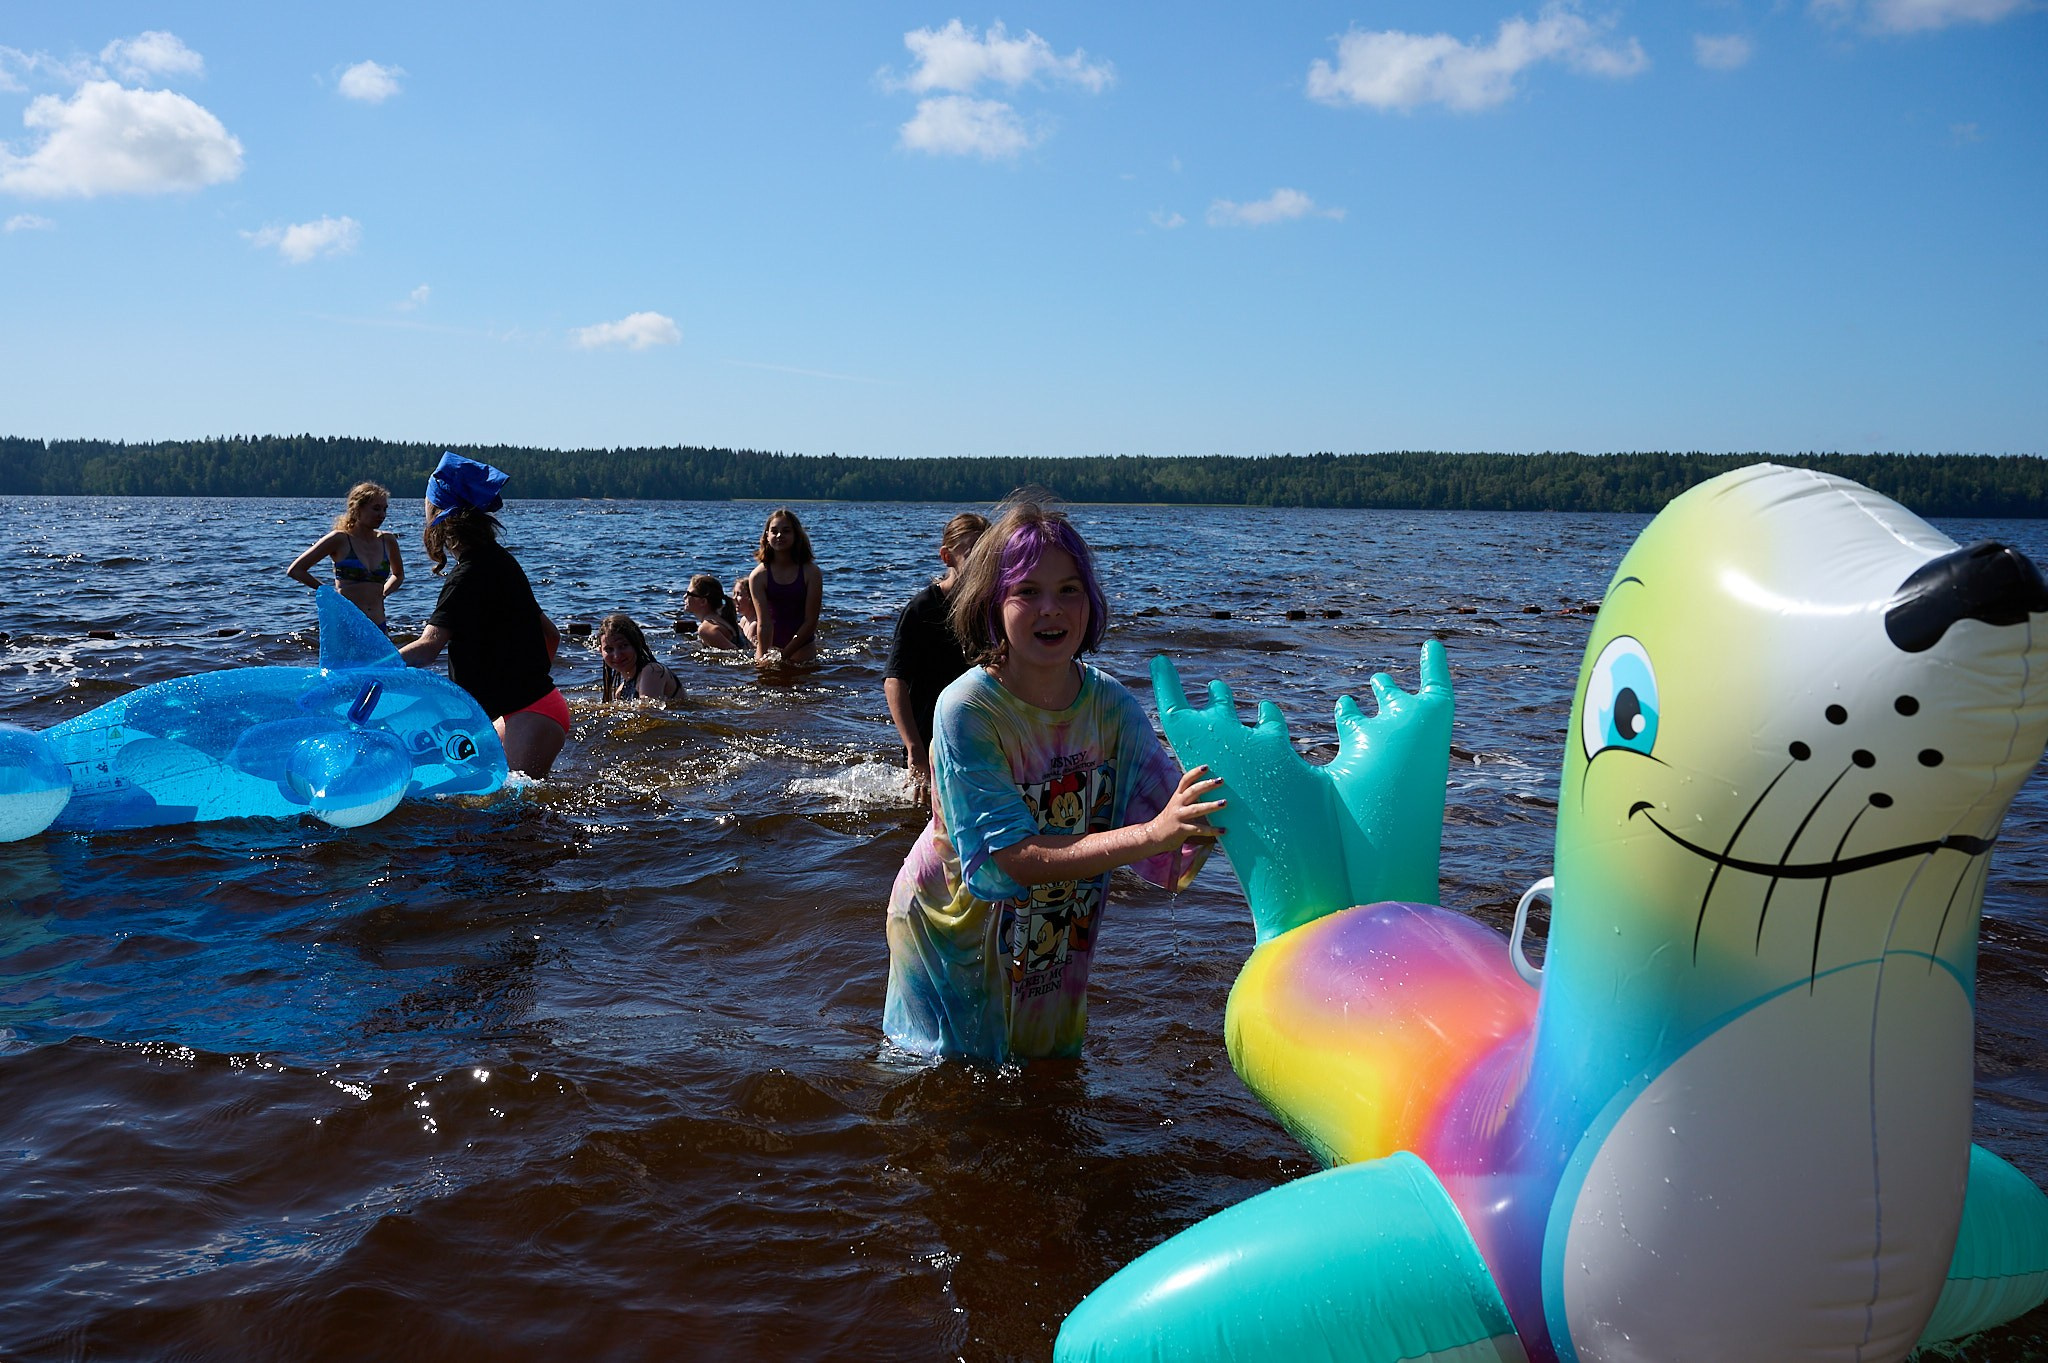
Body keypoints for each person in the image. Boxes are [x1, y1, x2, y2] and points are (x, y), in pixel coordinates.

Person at [881, 496, 1223, 1064]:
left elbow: (1177, 811)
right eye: (1027, 592)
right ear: (993, 603)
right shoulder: (967, 709)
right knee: (947, 1089)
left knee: (1050, 1074)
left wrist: (1232, 807)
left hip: (1056, 927)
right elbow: (1011, 858)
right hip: (953, 930)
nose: (1052, 609)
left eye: (1069, 590)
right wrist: (1152, 835)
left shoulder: (1109, 706)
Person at [397, 453, 568, 778]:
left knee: (509, 814)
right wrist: (528, 683)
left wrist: (373, 666)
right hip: (535, 708)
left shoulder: (466, 576)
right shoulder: (503, 562)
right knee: (491, 811)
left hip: (527, 715)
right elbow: (552, 635)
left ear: (439, 515)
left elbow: (428, 647)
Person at [884, 511, 987, 805]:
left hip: (978, 732)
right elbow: (894, 681)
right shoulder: (922, 609)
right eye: (972, 554)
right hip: (928, 739)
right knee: (926, 819)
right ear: (947, 557)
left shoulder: (992, 608)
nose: (982, 563)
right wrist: (914, 750)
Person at [286, 481, 405, 626]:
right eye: (376, 509)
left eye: (384, 509)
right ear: (357, 509)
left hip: (377, 624)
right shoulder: (340, 539)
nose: (382, 515)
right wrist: (330, 594)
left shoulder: (388, 540)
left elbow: (398, 575)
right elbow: (296, 570)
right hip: (346, 623)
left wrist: (383, 593)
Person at [734, 508, 823, 665]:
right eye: (774, 531)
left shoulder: (811, 572)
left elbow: (810, 621)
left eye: (786, 531)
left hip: (802, 648)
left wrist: (785, 654)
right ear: (767, 536)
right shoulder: (759, 575)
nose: (779, 535)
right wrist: (764, 656)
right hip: (770, 646)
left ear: (796, 535)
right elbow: (764, 623)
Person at [598, 613, 684, 704]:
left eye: (623, 646)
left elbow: (648, 712)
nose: (616, 655)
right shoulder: (620, 691)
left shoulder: (653, 671)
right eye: (609, 649)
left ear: (636, 644)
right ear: (600, 651)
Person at [680, 573, 744, 650]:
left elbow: (734, 651)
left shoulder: (706, 629)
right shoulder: (723, 619)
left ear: (703, 601)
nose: (684, 596)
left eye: (689, 594)